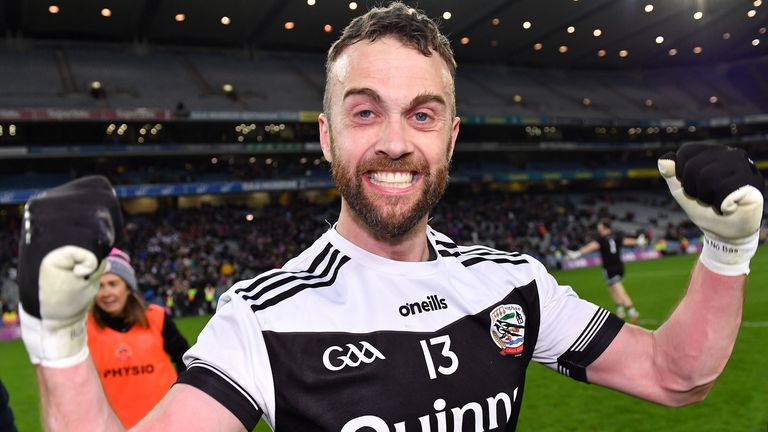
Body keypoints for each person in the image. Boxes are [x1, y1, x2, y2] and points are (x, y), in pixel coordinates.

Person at [16, 3, 765, 431]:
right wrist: (57, 342)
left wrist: (726, 251)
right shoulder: (263, 318)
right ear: (326, 133)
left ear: (451, 135)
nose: (397, 143)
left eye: (423, 114)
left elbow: (675, 379)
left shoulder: (514, 286)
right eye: (365, 112)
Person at [87, 248, 190, 428]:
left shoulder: (157, 317)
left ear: (128, 287)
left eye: (113, 283)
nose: (106, 292)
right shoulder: (85, 328)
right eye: (99, 285)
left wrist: (179, 399)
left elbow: (185, 359)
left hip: (166, 423)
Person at [567, 219, 647, 324]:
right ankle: (620, 310)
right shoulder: (616, 236)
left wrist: (578, 253)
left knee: (619, 290)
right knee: (611, 289)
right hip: (619, 266)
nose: (598, 228)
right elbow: (626, 241)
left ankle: (632, 312)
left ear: (604, 227)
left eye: (599, 226)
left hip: (610, 268)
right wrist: (637, 241)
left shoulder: (601, 239)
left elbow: (592, 246)